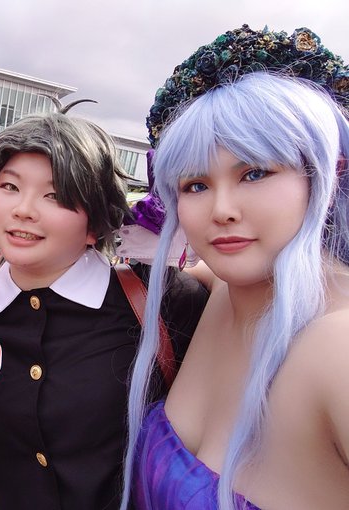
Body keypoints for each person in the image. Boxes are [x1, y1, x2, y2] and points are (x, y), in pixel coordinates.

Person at [122, 26, 349, 510]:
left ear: (327, 176)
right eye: (196, 185)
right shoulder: (226, 289)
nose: (222, 210)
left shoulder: (339, 345)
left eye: (255, 172)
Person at [0, 107, 209, 509]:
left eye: (55, 195)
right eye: (10, 186)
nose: (24, 209)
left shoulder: (160, 302)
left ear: (95, 223)